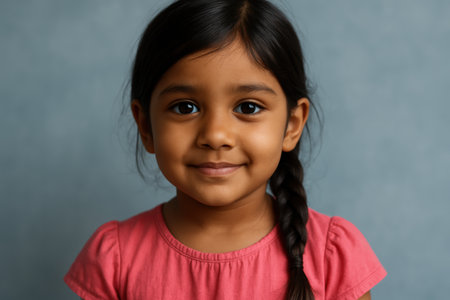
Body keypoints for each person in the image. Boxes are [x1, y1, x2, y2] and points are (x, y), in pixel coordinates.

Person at [64, 0, 387, 299]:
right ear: (146, 126)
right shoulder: (114, 259)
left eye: (248, 107)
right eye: (185, 107)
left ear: (291, 125)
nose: (216, 136)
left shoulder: (334, 257)